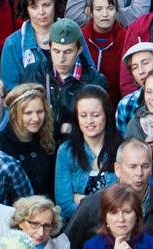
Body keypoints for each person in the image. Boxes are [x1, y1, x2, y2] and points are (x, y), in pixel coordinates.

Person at [64, 138, 153, 249]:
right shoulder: (92, 205)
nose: (139, 173)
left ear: (151, 169)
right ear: (117, 169)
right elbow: (68, 244)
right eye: (132, 166)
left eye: (145, 166)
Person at [53, 85, 120, 221]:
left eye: (96, 115)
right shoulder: (66, 151)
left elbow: (127, 202)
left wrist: (84, 201)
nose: (89, 121)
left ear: (107, 115)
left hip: (117, 228)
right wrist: (106, 207)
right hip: (78, 228)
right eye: (83, 115)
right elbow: (64, 207)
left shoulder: (122, 148)